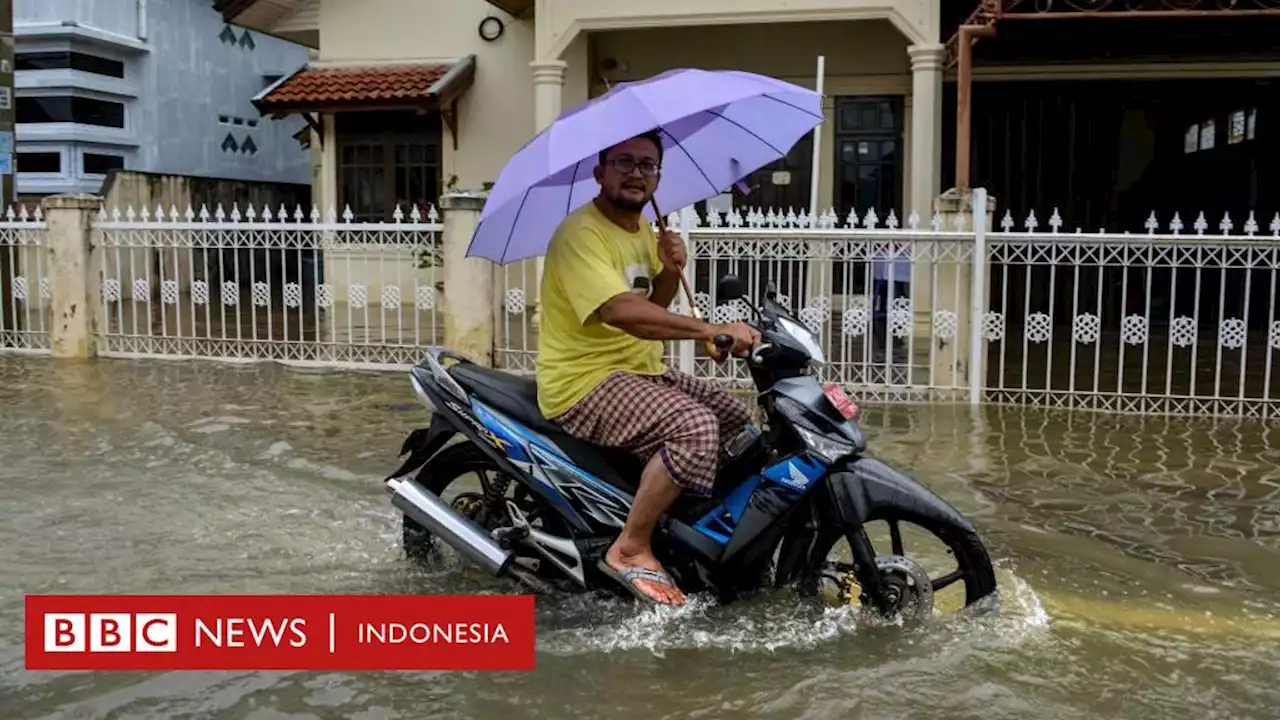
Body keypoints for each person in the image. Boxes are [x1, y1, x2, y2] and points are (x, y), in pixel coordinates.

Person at [535, 129, 760, 607]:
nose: (636, 173)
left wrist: (667, 270)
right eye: (624, 163)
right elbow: (620, 312)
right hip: (585, 381)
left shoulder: (643, 230)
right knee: (695, 427)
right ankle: (631, 546)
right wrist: (708, 330)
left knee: (738, 422)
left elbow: (650, 304)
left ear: (658, 176)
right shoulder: (581, 234)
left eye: (647, 165)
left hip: (639, 371)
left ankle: (684, 528)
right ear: (600, 174)